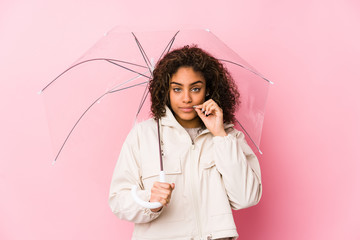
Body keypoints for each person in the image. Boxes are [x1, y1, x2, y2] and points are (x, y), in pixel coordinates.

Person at [108, 46, 262, 240]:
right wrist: (150, 201)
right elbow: (118, 200)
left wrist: (220, 135)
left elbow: (246, 198)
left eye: (196, 88)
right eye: (177, 89)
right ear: (166, 90)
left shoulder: (228, 136)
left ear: (209, 90)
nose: (187, 98)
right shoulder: (143, 135)